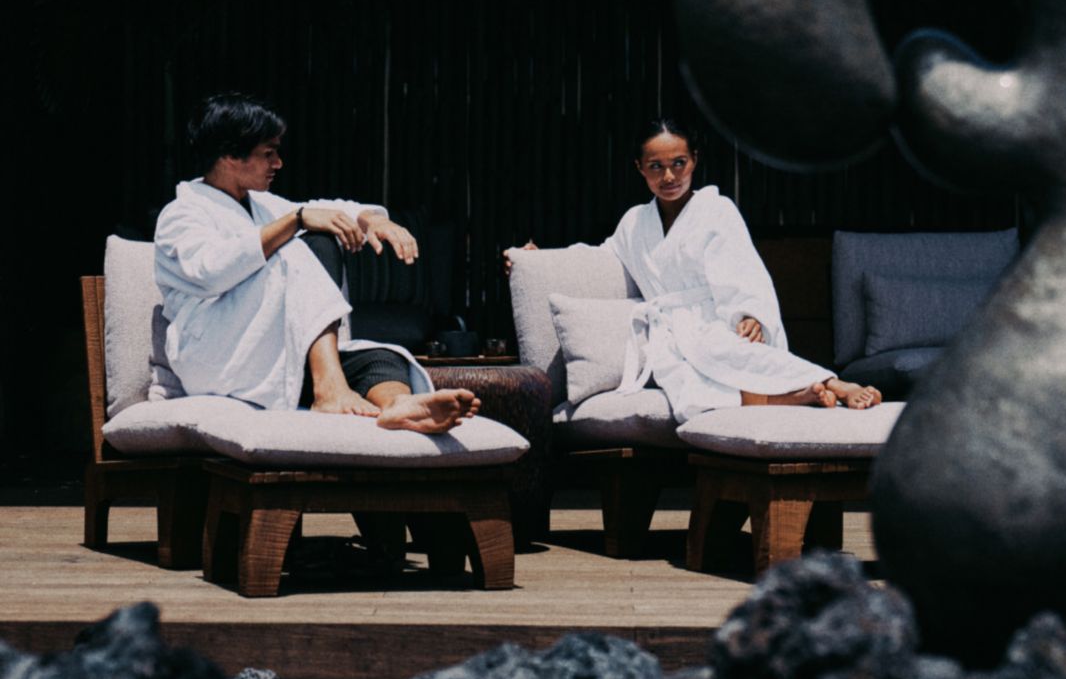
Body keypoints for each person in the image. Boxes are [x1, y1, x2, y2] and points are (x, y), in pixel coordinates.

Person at [505, 118, 880, 422]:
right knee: (687, 392)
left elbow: (743, 267)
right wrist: (539, 257)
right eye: (656, 167)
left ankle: (835, 382)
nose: (669, 176)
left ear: (694, 161)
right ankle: (792, 397)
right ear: (640, 169)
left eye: (678, 163)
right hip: (668, 332)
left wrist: (750, 313)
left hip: (716, 317)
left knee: (728, 350)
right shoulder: (635, 222)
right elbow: (600, 256)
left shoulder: (717, 210)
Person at [154, 92, 480, 433]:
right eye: (268, 153)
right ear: (230, 156)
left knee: (382, 357)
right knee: (306, 245)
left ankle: (399, 404)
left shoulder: (262, 206)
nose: (278, 163)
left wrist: (373, 220)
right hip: (216, 358)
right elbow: (212, 273)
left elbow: (325, 207)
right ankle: (330, 389)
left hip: (266, 357)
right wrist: (296, 220)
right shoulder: (181, 215)